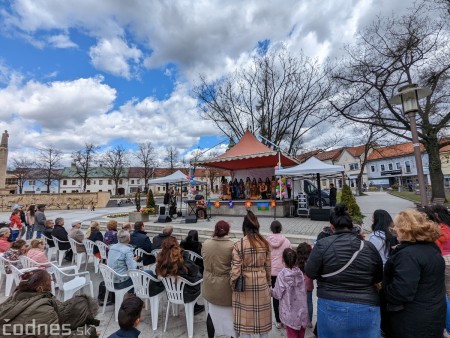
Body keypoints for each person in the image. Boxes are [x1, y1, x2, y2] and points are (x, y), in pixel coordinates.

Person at [305, 204, 383, 338]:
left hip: (331, 305)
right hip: (367, 306)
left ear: (331, 227)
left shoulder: (323, 245)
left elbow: (310, 272)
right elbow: (378, 276)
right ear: (353, 227)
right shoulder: (369, 247)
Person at [382, 209, 445, 338]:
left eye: (397, 227)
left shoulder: (408, 255)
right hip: (432, 315)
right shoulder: (432, 249)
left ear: (405, 229)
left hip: (411, 320)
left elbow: (401, 291)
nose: (394, 230)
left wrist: (383, 289)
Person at [0, 269, 99, 338]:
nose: (52, 282)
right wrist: (87, 333)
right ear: (40, 287)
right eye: (49, 280)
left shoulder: (18, 295)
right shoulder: (41, 309)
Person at [231, 211, 272, 338]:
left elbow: (235, 270)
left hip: (245, 286)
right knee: (263, 324)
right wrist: (269, 283)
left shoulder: (239, 244)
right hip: (261, 283)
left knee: (245, 325)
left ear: (244, 227)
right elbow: (268, 267)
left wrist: (233, 283)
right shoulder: (265, 244)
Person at [202, 221, 236, 338]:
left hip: (210, 284)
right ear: (227, 231)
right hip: (225, 286)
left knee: (212, 313)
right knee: (231, 316)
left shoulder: (206, 243)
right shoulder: (231, 246)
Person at [156, 236, 204, 315]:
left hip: (170, 291)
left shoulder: (161, 258)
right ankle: (194, 307)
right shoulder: (182, 257)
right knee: (197, 275)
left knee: (189, 276)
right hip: (187, 292)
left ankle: (193, 306)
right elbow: (194, 271)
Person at [272, 248, 310, 338]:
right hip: (302, 311)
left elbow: (277, 294)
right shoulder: (300, 273)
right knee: (301, 334)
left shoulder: (282, 275)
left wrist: (270, 291)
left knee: (292, 334)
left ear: (283, 259)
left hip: (290, 313)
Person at [266, 220, 292, 329]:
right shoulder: (286, 242)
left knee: (275, 296)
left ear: (271, 229)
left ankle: (278, 321)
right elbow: (290, 257)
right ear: (280, 228)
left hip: (272, 272)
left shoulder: (266, 242)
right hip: (283, 272)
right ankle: (286, 319)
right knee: (285, 296)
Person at [296, 242, 314, 323]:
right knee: (309, 303)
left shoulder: (296, 262)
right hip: (308, 285)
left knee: (298, 302)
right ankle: (309, 321)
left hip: (298, 286)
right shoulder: (311, 262)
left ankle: (299, 319)